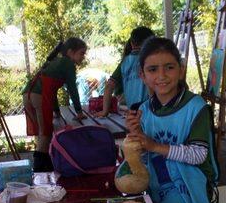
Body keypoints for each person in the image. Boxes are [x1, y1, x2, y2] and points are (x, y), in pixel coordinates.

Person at [125, 37, 218, 203]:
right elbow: (142, 157)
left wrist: (154, 145)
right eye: (152, 70)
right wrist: (134, 138)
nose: (162, 76)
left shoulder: (196, 106)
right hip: (156, 181)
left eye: (169, 67)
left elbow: (199, 155)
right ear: (142, 75)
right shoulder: (143, 110)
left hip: (192, 183)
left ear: (181, 69)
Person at [23, 37, 87, 172]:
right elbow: (72, 89)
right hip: (39, 94)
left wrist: (56, 111)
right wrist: (79, 111)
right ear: (70, 52)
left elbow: (52, 91)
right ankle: (40, 168)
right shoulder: (68, 64)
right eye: (81, 53)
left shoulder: (56, 61)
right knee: (45, 133)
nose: (83, 57)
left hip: (28, 93)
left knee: (42, 132)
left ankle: (46, 164)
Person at [95, 27, 155, 117]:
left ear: (131, 43)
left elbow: (109, 86)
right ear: (151, 43)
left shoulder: (125, 62)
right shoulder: (152, 59)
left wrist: (105, 111)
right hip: (151, 110)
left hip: (133, 112)